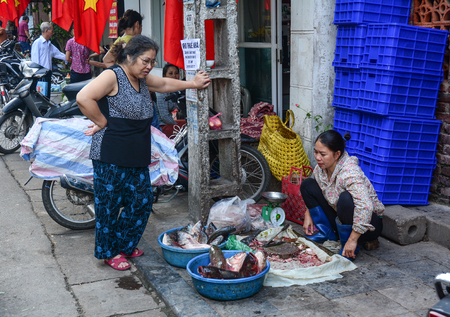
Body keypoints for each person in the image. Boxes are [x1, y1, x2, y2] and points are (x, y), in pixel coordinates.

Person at [76, 35, 210, 271]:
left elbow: (166, 84)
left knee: (142, 201)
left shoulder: (143, 79)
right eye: (145, 61)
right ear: (129, 57)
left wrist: (193, 83)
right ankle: (109, 252)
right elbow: (83, 97)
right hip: (110, 154)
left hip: (136, 154)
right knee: (109, 206)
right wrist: (102, 121)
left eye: (152, 61)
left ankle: (125, 244)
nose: (149, 66)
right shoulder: (113, 75)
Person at [300, 130, 384, 260]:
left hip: (368, 226)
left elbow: (366, 207)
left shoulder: (349, 172)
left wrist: (352, 239)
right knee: (307, 184)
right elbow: (314, 189)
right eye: (316, 152)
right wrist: (308, 214)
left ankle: (348, 244)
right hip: (340, 218)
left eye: (322, 154)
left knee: (345, 198)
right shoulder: (320, 169)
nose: (317, 157)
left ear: (337, 154)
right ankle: (328, 235)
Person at [31, 22, 66, 98]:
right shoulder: (37, 43)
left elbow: (58, 54)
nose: (52, 33)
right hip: (40, 74)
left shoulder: (49, 44)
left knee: (47, 95)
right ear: (46, 31)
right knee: (41, 95)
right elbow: (35, 60)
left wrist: (69, 58)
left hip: (47, 73)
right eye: (52, 31)